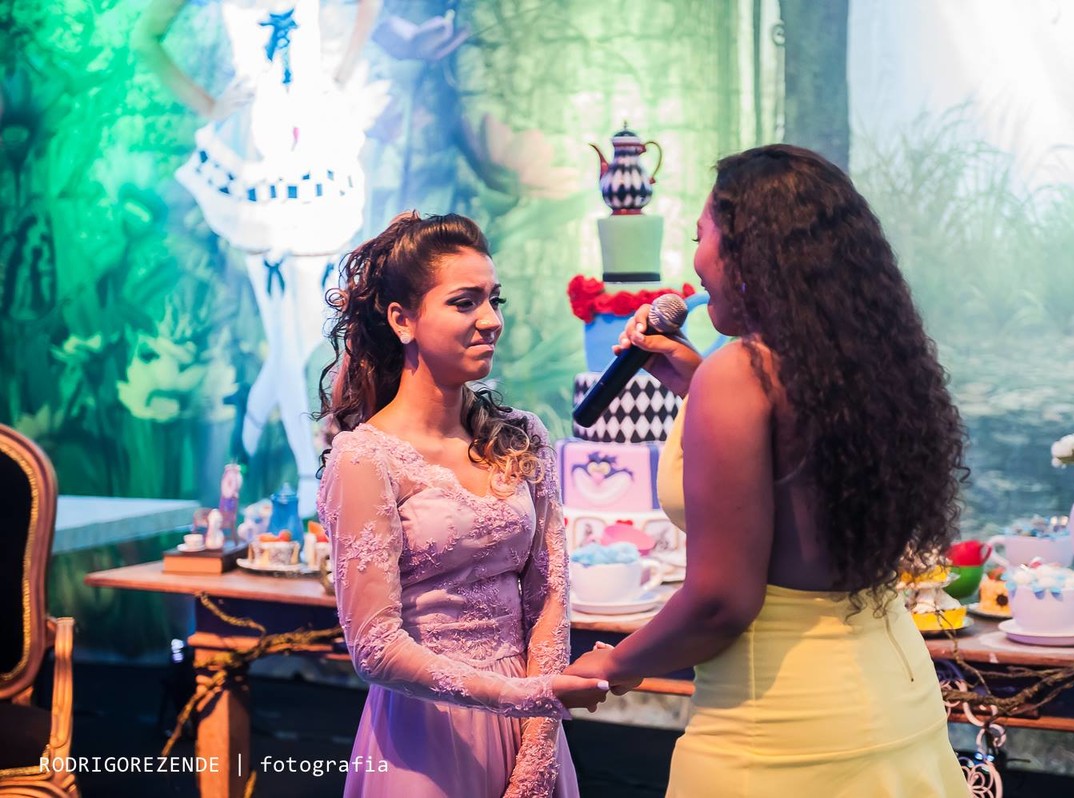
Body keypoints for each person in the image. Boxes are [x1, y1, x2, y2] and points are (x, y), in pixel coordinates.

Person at [566, 144, 970, 797]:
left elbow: (720, 602)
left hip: (784, 729)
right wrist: (698, 385)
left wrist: (615, 664)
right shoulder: (867, 369)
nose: (695, 261)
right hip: (899, 702)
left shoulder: (741, 375)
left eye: (701, 237)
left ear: (747, 251)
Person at [316, 212, 606, 797]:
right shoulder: (365, 457)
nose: (491, 320)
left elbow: (550, 595)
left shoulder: (522, 436)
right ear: (402, 320)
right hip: (425, 733)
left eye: (494, 300)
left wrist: (538, 752)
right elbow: (374, 649)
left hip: (531, 725)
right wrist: (523, 696)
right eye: (465, 302)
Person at [134, 0, 383, 516]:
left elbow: (368, 7)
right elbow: (145, 38)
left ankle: (245, 452)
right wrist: (210, 106)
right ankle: (309, 477)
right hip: (254, 151)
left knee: (306, 330)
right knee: (286, 335)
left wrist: (336, 79)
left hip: (315, 143)